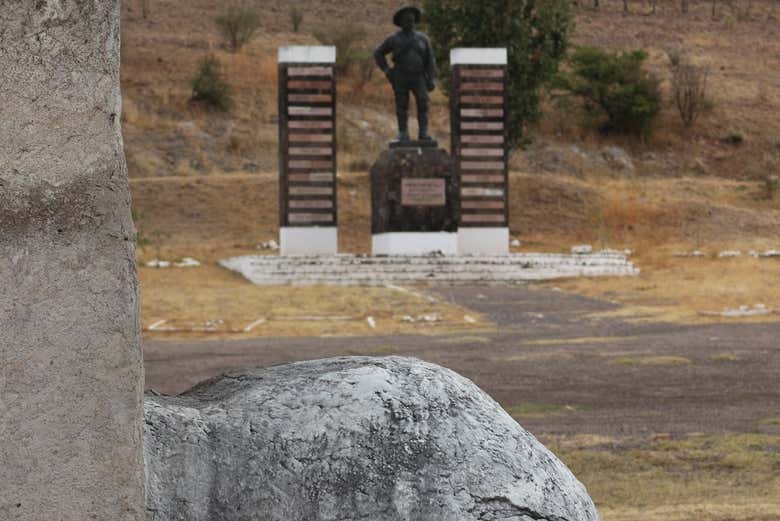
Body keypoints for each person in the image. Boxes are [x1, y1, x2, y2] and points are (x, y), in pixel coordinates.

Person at [374, 5, 437, 143]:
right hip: (400, 75)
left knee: (423, 102)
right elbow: (378, 53)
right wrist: (387, 70)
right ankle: (403, 133)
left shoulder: (423, 39)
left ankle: (423, 132)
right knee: (402, 104)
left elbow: (430, 60)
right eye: (407, 20)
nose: (410, 22)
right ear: (401, 22)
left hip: (419, 76)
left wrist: (432, 78)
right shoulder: (394, 39)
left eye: (412, 20)